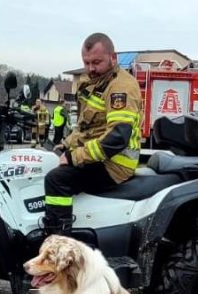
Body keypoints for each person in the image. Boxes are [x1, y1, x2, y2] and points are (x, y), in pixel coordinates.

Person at [42, 32, 142, 235]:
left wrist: (74, 156)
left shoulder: (120, 87)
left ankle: (58, 243)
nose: (90, 68)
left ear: (113, 58)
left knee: (56, 179)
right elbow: (87, 126)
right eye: (86, 63)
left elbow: (117, 137)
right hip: (99, 156)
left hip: (115, 163)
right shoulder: (95, 82)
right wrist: (66, 144)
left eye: (96, 62)